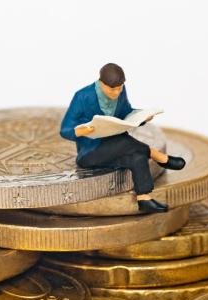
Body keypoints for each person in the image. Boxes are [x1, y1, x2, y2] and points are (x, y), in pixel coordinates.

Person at [60, 63, 186, 213]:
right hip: (91, 152)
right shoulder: (82, 96)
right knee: (124, 142)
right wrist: (80, 131)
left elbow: (126, 112)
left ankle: (144, 199)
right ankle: (160, 157)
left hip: (117, 148)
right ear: (101, 83)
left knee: (137, 156)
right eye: (112, 89)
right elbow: (65, 129)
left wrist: (142, 117)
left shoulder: (121, 91)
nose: (117, 92)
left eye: (120, 88)